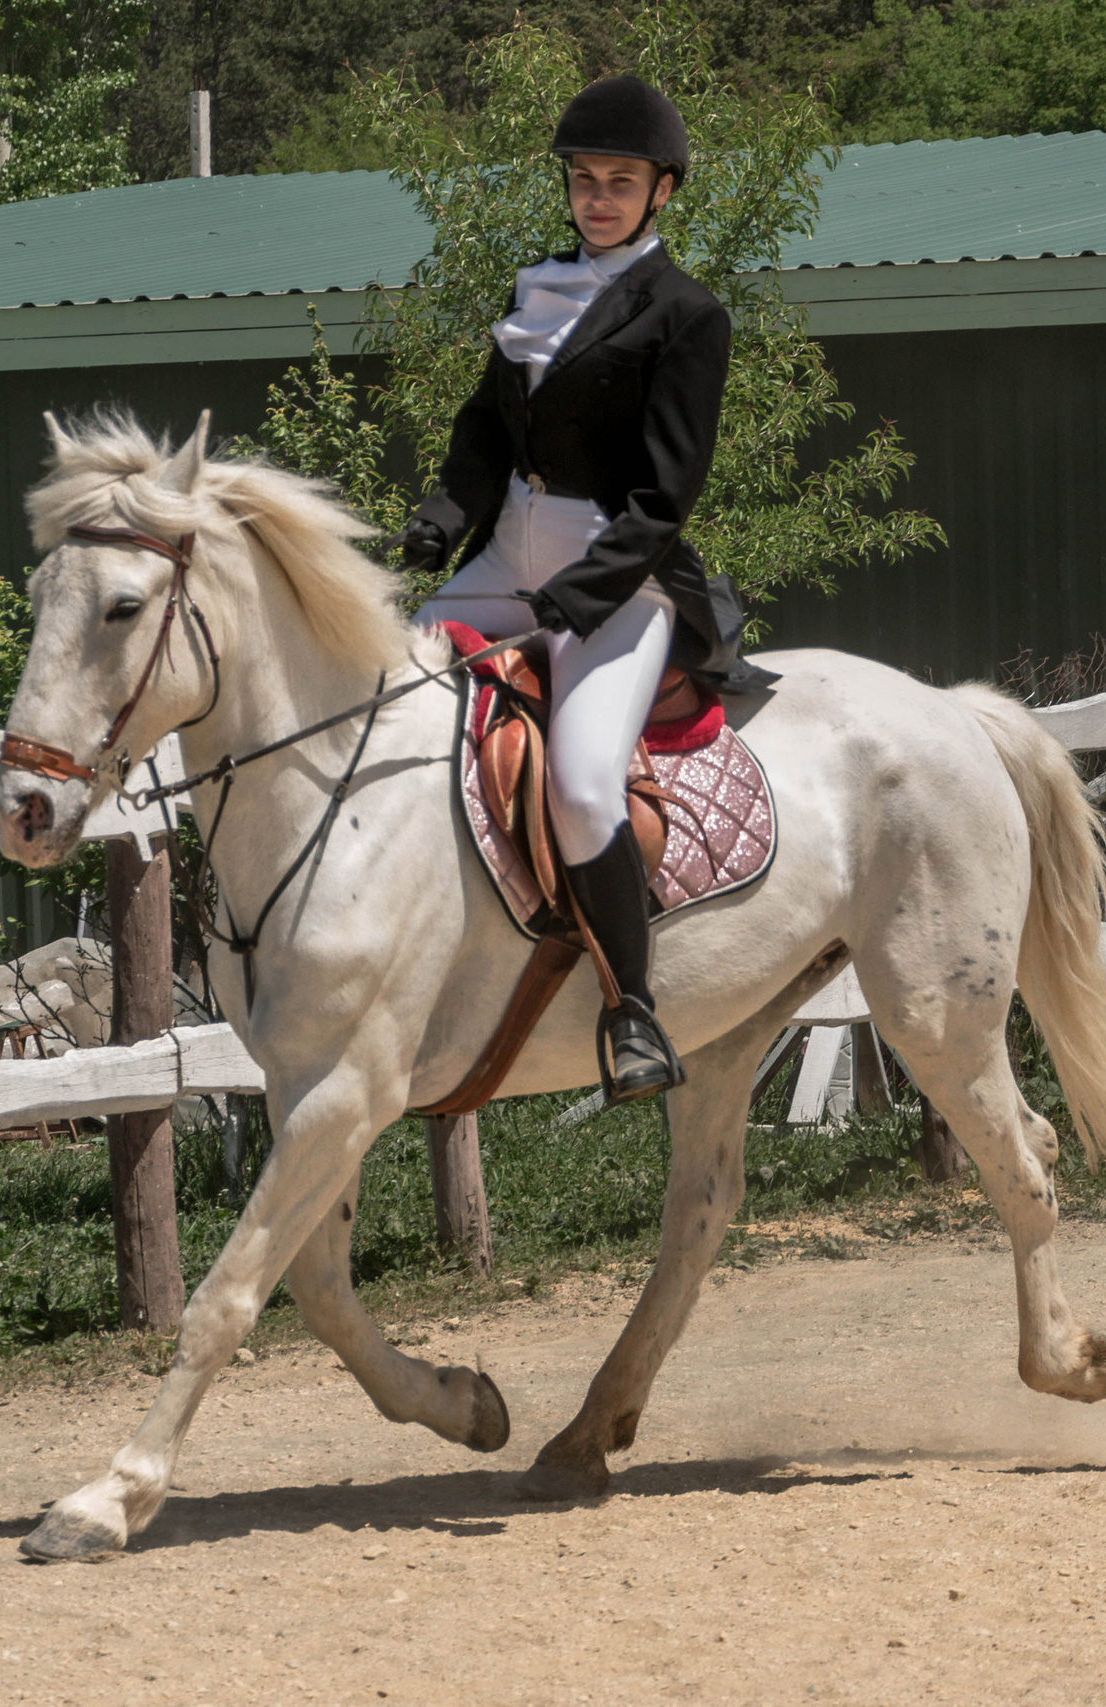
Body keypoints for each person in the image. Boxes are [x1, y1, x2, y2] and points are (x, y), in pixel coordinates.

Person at [396, 74, 761, 1106]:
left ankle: (631, 1012)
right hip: (507, 547)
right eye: (584, 179)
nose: (598, 197)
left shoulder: (689, 315)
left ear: (662, 192)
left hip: (620, 574)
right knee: (380, 697)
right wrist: (439, 517)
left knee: (584, 781)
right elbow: (481, 435)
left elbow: (665, 496)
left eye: (621, 182)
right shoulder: (532, 290)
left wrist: (575, 601)